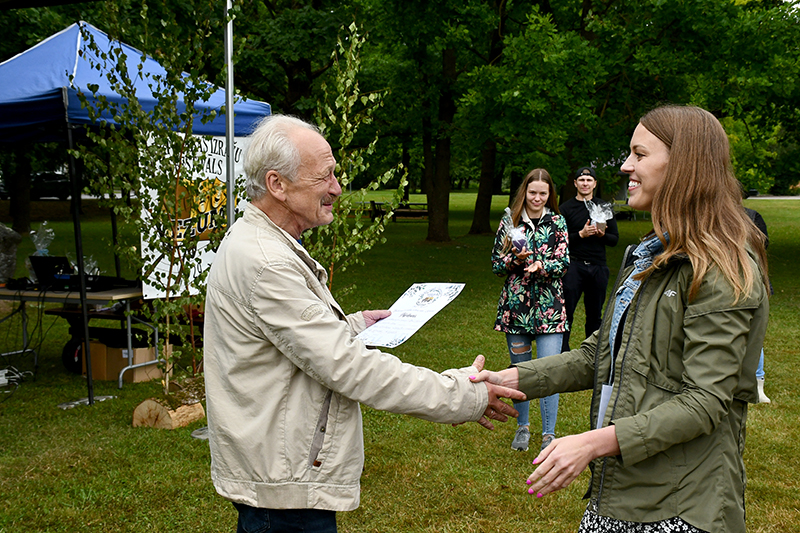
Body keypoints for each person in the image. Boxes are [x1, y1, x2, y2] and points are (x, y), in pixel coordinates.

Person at [203, 114, 525, 533]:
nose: (337, 188)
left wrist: (353, 325)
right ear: (277, 185)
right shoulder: (267, 262)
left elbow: (282, 337)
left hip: (282, 476)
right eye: (324, 177)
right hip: (283, 492)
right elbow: (350, 368)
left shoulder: (262, 243)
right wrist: (458, 397)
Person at [473, 105, 769, 532]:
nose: (627, 166)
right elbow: (600, 354)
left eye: (640, 155)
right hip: (619, 495)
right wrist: (508, 380)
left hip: (682, 506)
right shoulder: (649, 255)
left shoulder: (720, 269)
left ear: (684, 164)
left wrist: (592, 444)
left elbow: (705, 401)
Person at [491, 168, 569, 452]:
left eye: (543, 194)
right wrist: (515, 259)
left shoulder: (557, 221)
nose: (537, 198)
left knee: (549, 372)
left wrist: (542, 266)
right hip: (517, 309)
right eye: (532, 192)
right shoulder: (509, 220)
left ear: (550, 195)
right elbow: (496, 264)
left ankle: (549, 433)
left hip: (550, 308)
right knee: (521, 371)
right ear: (525, 191)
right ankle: (522, 428)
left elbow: (563, 263)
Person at [558, 166, 619, 352]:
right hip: (573, 266)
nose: (585, 183)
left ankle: (592, 354)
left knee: (595, 315)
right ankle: (563, 353)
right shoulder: (565, 208)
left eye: (589, 180)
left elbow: (614, 240)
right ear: (575, 183)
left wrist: (602, 236)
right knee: (566, 313)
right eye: (582, 180)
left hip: (598, 267)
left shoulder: (603, 208)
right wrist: (581, 235)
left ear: (594, 184)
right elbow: (558, 240)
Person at [745, 206, 772, 403]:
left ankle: (757, 383)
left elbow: (763, 244)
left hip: (752, 279)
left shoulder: (751, 215)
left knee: (754, 334)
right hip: (727, 279)